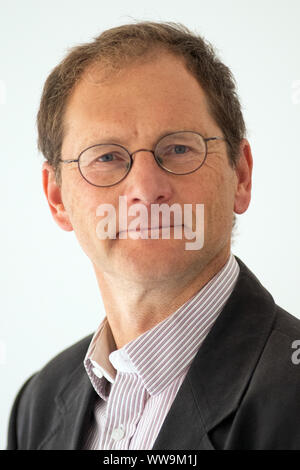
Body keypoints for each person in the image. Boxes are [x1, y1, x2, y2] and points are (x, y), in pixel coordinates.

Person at [7, 22, 300, 450]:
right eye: (106, 157)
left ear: (240, 175)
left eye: (179, 148)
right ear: (57, 199)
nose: (146, 189)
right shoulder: (38, 404)